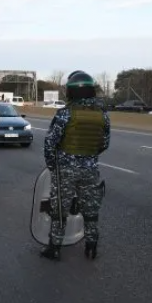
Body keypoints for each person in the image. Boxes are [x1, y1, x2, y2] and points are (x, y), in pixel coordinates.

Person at [41, 71, 110, 261]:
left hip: (65, 169)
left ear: (72, 91)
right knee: (90, 209)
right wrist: (88, 158)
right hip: (90, 168)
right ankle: (91, 246)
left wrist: (53, 165)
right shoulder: (102, 115)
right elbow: (104, 143)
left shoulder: (65, 113)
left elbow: (50, 143)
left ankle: (54, 248)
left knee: (59, 210)